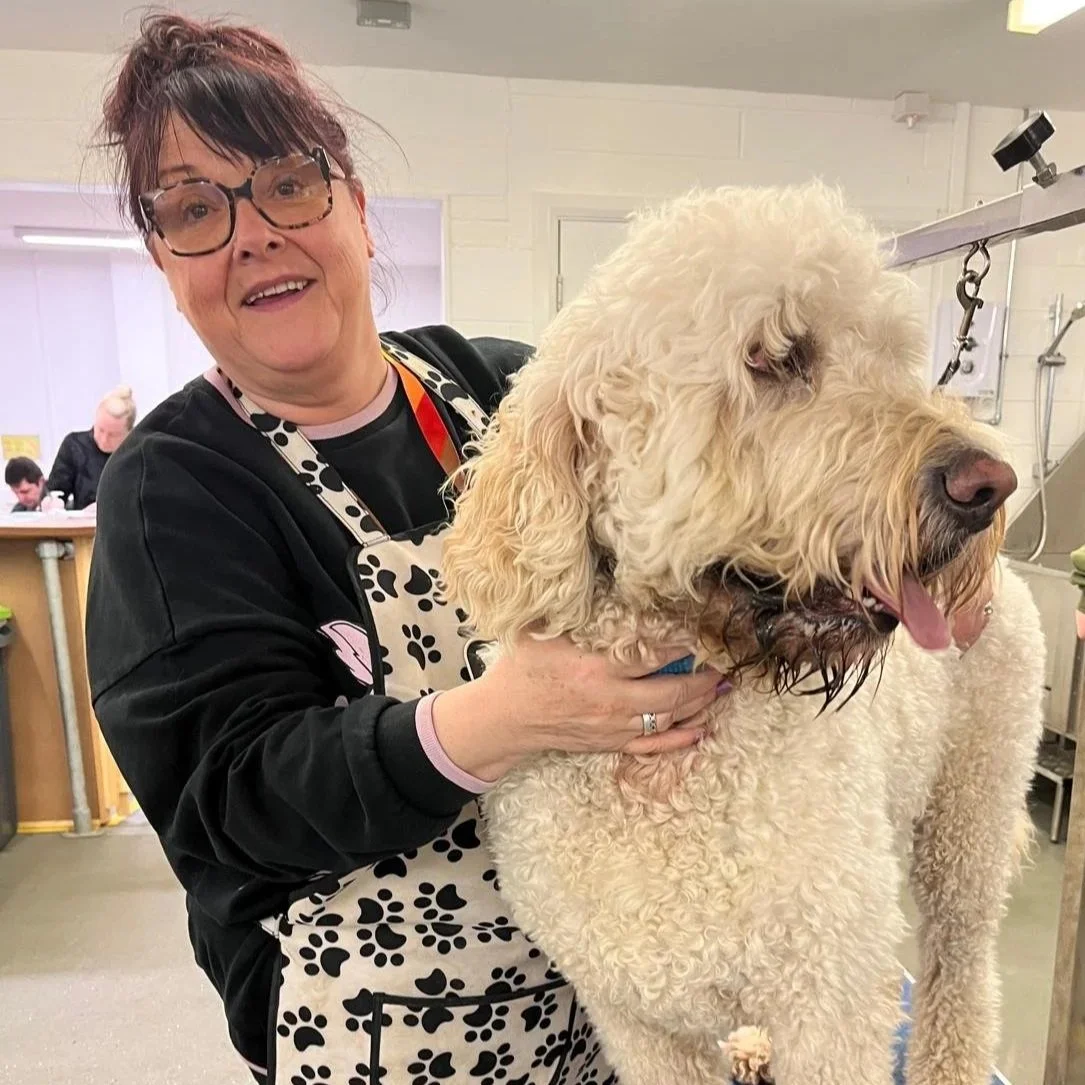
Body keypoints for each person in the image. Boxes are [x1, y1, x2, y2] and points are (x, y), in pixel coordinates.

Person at [85, 15, 725, 1084]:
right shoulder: (174, 488)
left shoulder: (510, 390)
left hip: (609, 998)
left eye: (287, 183)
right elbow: (229, 794)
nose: (252, 236)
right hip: (378, 1030)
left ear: (357, 208)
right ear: (164, 261)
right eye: (195, 209)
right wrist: (506, 716)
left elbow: (712, 521)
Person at [47, 385, 136, 509]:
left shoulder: (137, 453)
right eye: (100, 430)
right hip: (83, 525)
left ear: (129, 433)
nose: (104, 440)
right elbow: (56, 489)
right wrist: (53, 502)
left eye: (113, 435)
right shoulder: (74, 445)